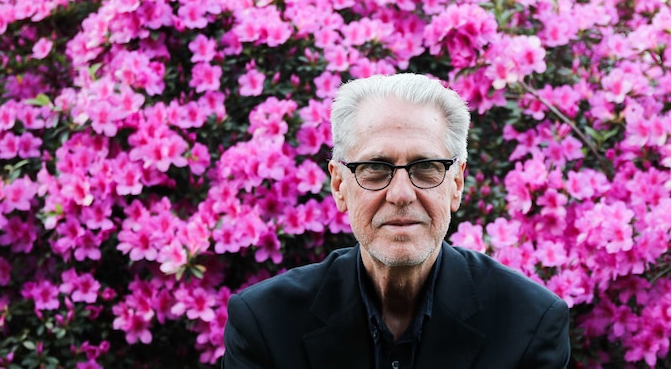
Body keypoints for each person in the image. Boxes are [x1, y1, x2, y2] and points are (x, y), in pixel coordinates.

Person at [222, 73, 571, 368]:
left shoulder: (531, 324)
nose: (401, 194)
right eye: (375, 168)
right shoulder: (265, 323)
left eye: (426, 167)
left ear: (456, 185)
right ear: (339, 185)